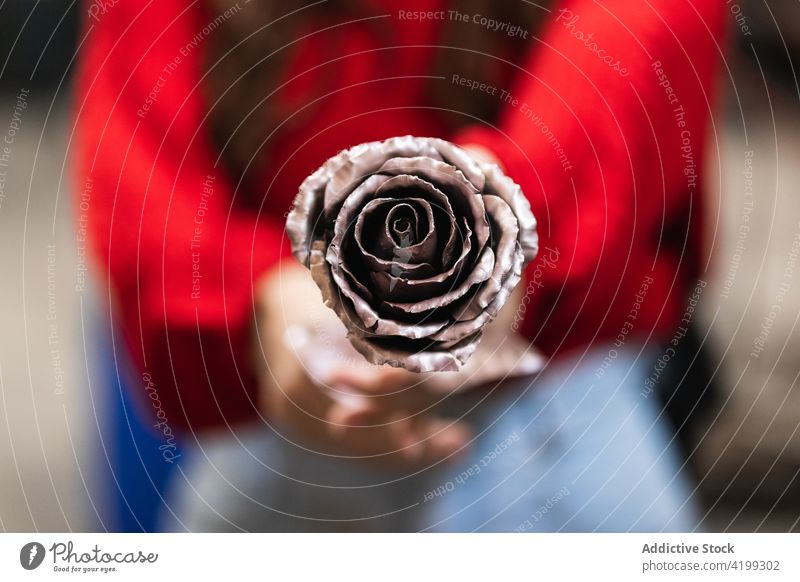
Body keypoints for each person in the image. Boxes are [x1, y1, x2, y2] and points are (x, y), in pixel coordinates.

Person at [74, 0, 725, 531]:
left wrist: (509, 211)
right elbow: (140, 171)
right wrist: (263, 294)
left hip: (548, 384)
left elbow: (644, 38)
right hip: (293, 405)